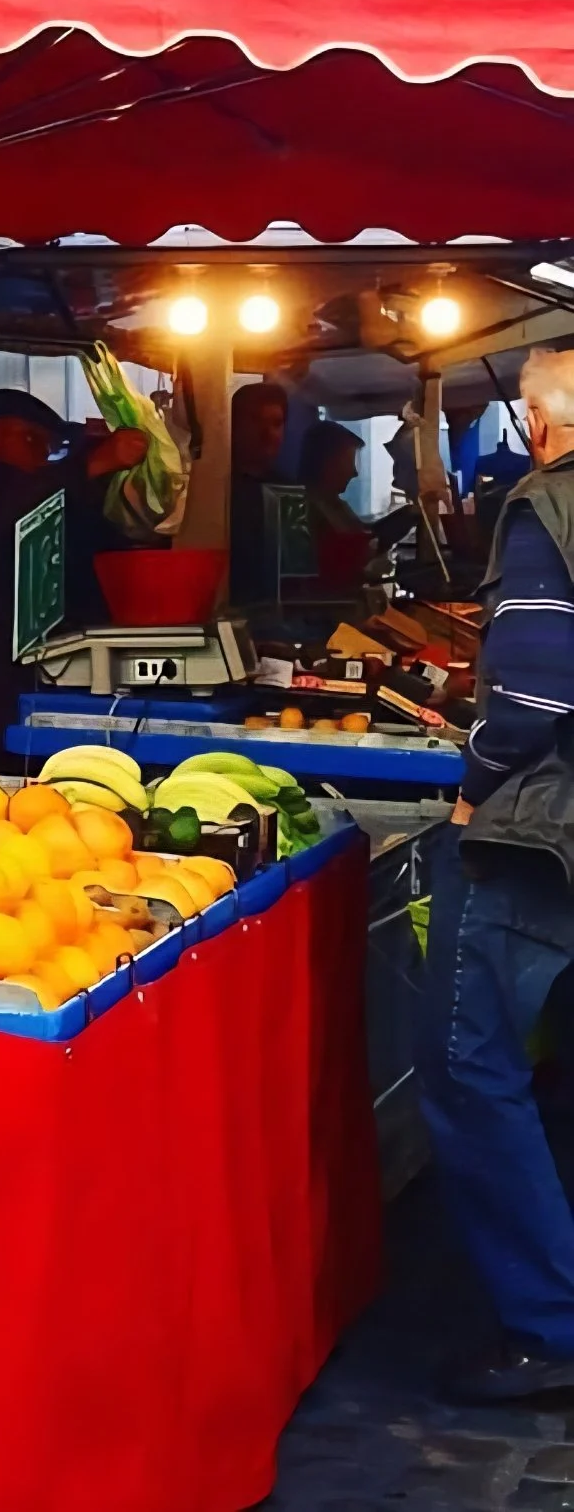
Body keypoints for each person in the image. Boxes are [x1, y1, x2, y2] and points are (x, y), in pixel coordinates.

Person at [417, 344, 574, 1402]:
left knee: (469, 1065)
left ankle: (545, 1325)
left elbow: (530, 697)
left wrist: (471, 782)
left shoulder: (543, 503)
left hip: (539, 826)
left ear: (535, 414)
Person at [0, 389, 147, 770]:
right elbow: (9, 509)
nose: (42, 454)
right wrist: (96, 461)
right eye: (32, 440)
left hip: (40, 687)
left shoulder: (42, 495)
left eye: (48, 446)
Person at [299, 419, 414, 588]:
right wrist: (365, 571)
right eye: (348, 462)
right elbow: (329, 570)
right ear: (328, 463)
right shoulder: (304, 510)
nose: (354, 472)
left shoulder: (335, 505)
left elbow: (366, 535)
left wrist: (407, 516)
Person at [228, 379, 291, 602]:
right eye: (256, 421)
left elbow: (297, 570)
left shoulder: (289, 490)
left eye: (276, 423)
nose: (268, 434)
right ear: (233, 425)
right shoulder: (214, 488)